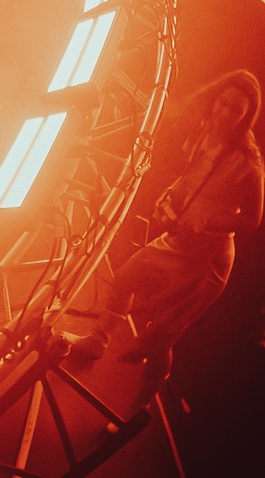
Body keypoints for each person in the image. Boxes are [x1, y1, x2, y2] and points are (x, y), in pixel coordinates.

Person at [65, 71, 262, 408]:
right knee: (124, 278)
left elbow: (252, 220)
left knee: (162, 337)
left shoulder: (247, 162)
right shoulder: (204, 132)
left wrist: (208, 220)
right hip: (179, 240)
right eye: (223, 103)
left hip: (207, 260)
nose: (224, 113)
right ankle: (98, 341)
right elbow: (192, 179)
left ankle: (140, 407)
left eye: (235, 110)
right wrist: (170, 200)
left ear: (246, 118)